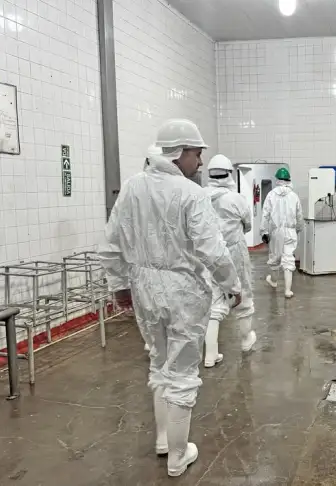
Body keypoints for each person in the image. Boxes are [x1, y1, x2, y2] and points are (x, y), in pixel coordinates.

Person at [98, 119, 242, 478]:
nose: (201, 161)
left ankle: (163, 440)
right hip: (183, 290)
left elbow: (111, 242)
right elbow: (212, 250)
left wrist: (119, 285)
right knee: (182, 372)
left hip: (143, 286)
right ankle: (178, 456)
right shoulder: (191, 193)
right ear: (179, 152)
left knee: (159, 362)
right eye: (197, 153)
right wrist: (232, 284)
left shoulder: (132, 187)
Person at [203, 154, 258, 367]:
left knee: (214, 302)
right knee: (243, 296)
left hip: (207, 253)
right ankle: (246, 340)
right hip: (234, 252)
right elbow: (248, 225)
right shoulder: (236, 199)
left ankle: (210, 354)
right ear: (229, 174)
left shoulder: (199, 196)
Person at [260, 167, 304, 298]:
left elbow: (265, 215)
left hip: (275, 232)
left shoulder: (271, 195)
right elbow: (299, 216)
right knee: (288, 258)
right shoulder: (294, 196)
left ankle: (273, 281)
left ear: (277, 180)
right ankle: (287, 290)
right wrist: (298, 229)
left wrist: (264, 231)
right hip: (291, 231)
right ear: (288, 180)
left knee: (275, 258)